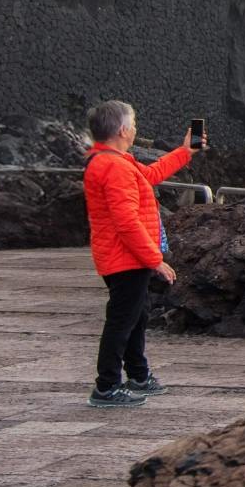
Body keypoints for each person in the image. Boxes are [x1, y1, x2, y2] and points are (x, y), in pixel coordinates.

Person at [81, 101, 194, 407]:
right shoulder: (114, 166)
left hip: (122, 257)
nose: (135, 129)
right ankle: (106, 387)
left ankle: (138, 375)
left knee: (135, 316)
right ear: (122, 130)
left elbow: (151, 174)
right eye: (133, 124)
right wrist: (155, 260)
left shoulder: (113, 161)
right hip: (125, 258)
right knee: (122, 321)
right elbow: (127, 222)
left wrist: (185, 152)